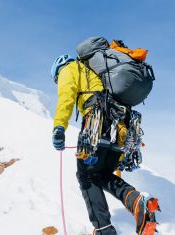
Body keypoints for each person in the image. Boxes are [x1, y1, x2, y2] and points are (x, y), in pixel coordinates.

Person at [51, 54, 159, 235]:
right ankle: (136, 200)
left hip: (97, 123)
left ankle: (103, 230)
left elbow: (66, 97)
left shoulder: (69, 69)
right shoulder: (96, 72)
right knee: (101, 174)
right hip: (121, 126)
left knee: (87, 177)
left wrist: (59, 127)